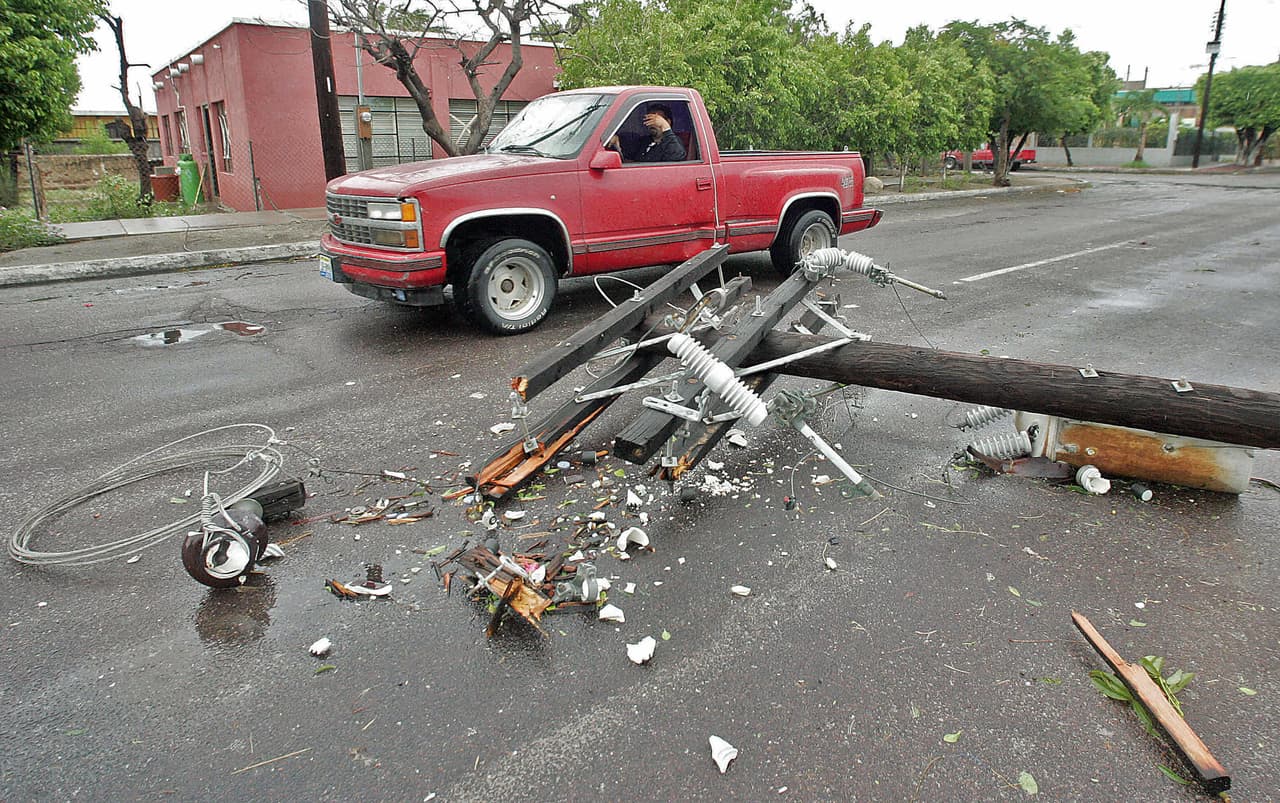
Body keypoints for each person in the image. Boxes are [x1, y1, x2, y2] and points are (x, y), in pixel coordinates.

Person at [608, 103, 687, 162]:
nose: (651, 123)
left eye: (655, 120)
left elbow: (677, 156)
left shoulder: (673, 142)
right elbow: (628, 151)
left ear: (667, 122)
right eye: (648, 120)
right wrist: (616, 139)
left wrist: (665, 127)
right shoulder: (645, 141)